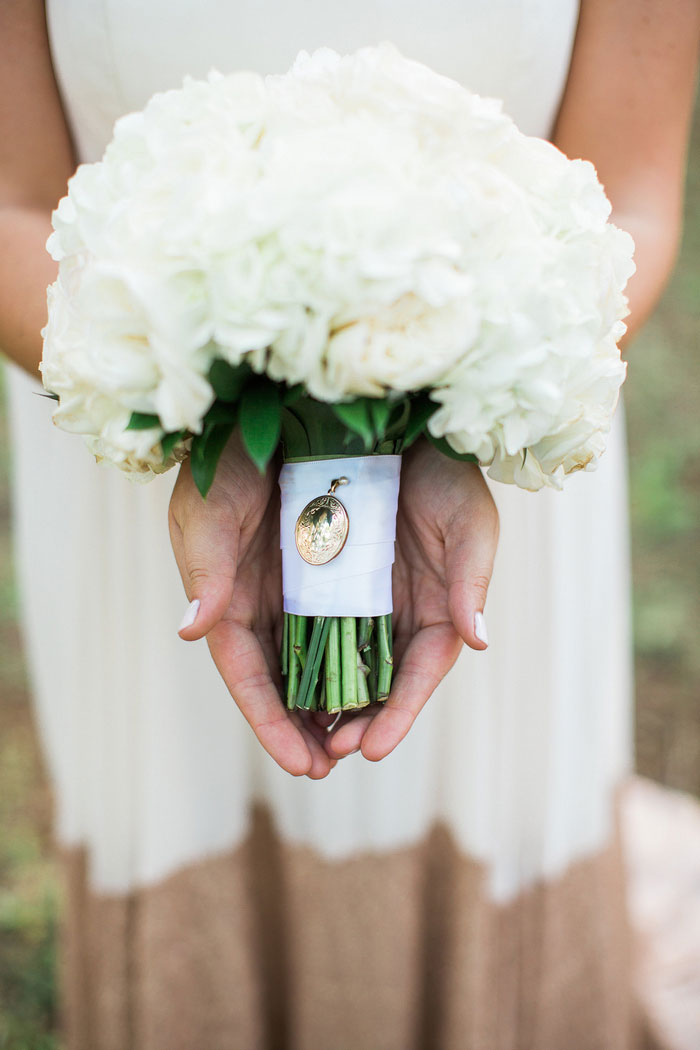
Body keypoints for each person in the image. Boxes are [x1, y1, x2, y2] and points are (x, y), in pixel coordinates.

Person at [1, 1, 698, 1047]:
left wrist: (449, 412)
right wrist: (200, 408)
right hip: (150, 457)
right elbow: (11, 201)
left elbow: (632, 197)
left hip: (472, 461)